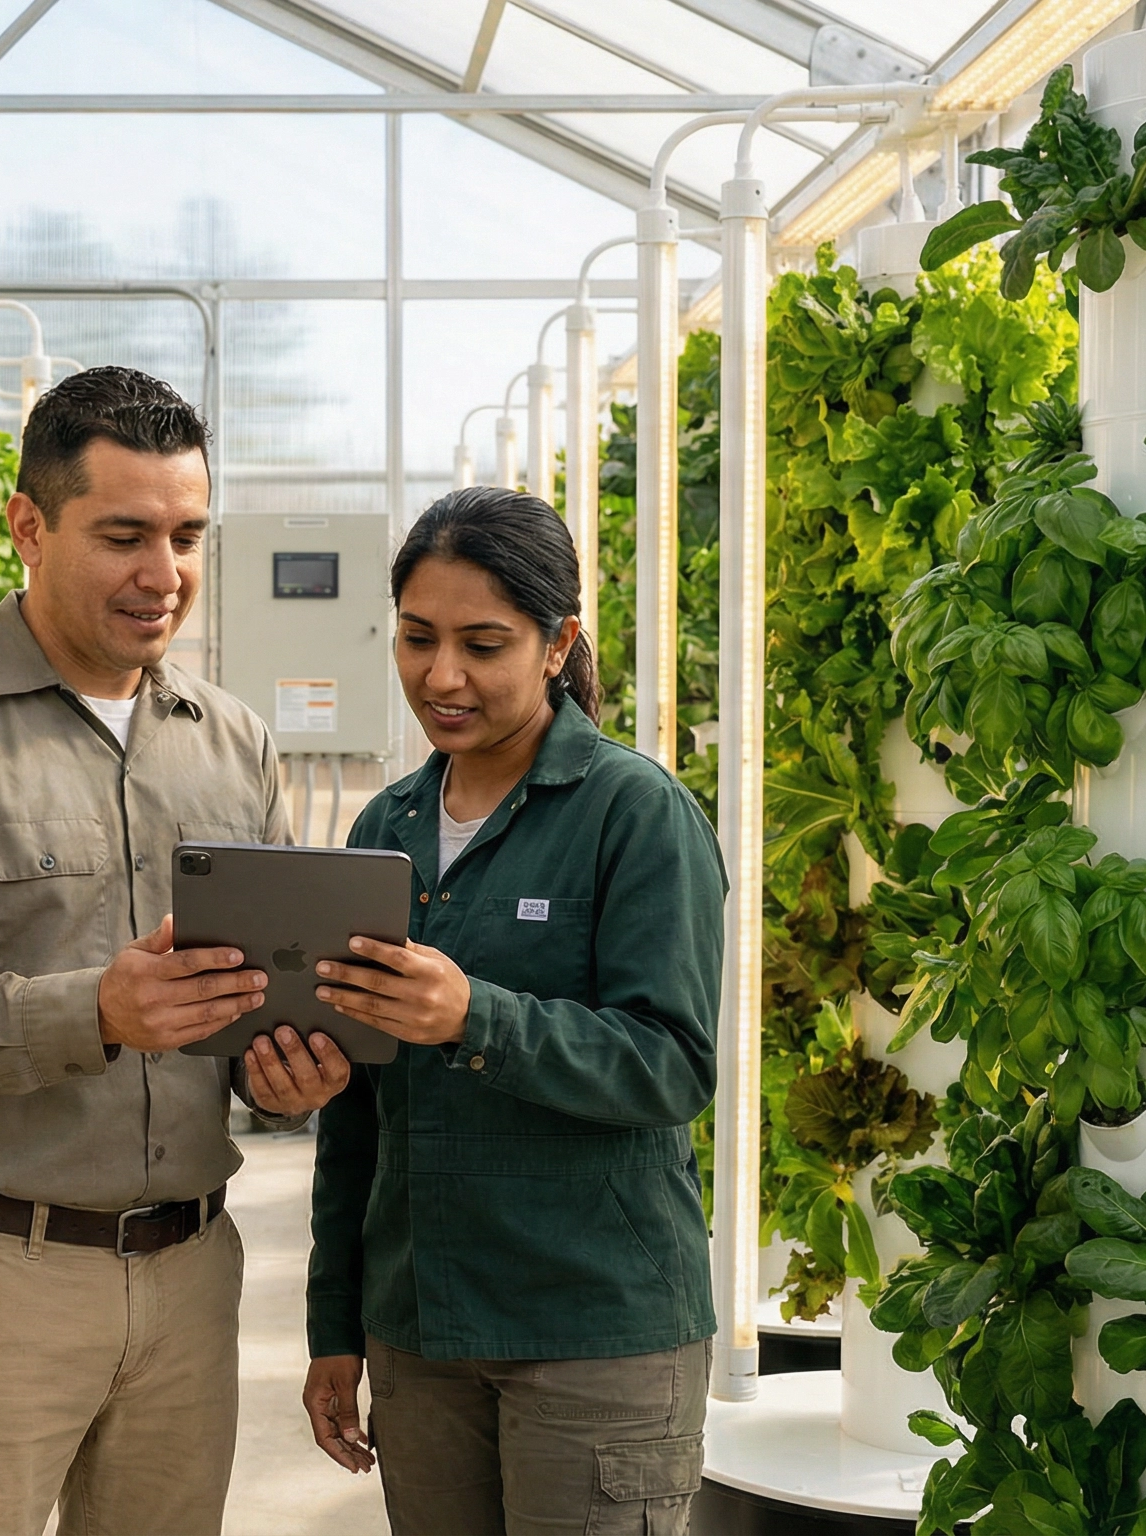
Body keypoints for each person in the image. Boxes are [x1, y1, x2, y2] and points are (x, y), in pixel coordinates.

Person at [0, 366, 356, 1536]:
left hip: (192, 1274)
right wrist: (93, 1014)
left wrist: (293, 1072)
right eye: (123, 535)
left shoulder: (234, 744)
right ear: (28, 526)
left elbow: (264, 1004)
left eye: (185, 535)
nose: (163, 575)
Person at [299, 486, 727, 1536]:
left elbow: (670, 1065)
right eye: (416, 638)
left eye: (482, 644)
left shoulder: (633, 813)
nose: (441, 677)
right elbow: (354, 1113)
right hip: (422, 1329)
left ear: (556, 644)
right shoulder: (385, 823)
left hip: (592, 1335)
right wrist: (334, 1324)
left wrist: (475, 1018)